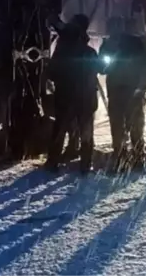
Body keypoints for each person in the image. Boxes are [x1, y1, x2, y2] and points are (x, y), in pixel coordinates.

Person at [46, 14, 103, 173]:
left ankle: (53, 162)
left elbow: (51, 73)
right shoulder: (90, 52)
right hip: (87, 98)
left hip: (65, 97)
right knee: (86, 132)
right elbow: (102, 69)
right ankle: (85, 164)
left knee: (59, 129)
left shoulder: (62, 52)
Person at [101, 16, 146, 173]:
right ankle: (137, 158)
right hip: (132, 92)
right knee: (135, 126)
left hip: (119, 91)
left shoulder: (111, 44)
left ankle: (121, 159)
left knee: (118, 127)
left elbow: (102, 67)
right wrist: (142, 88)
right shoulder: (138, 43)